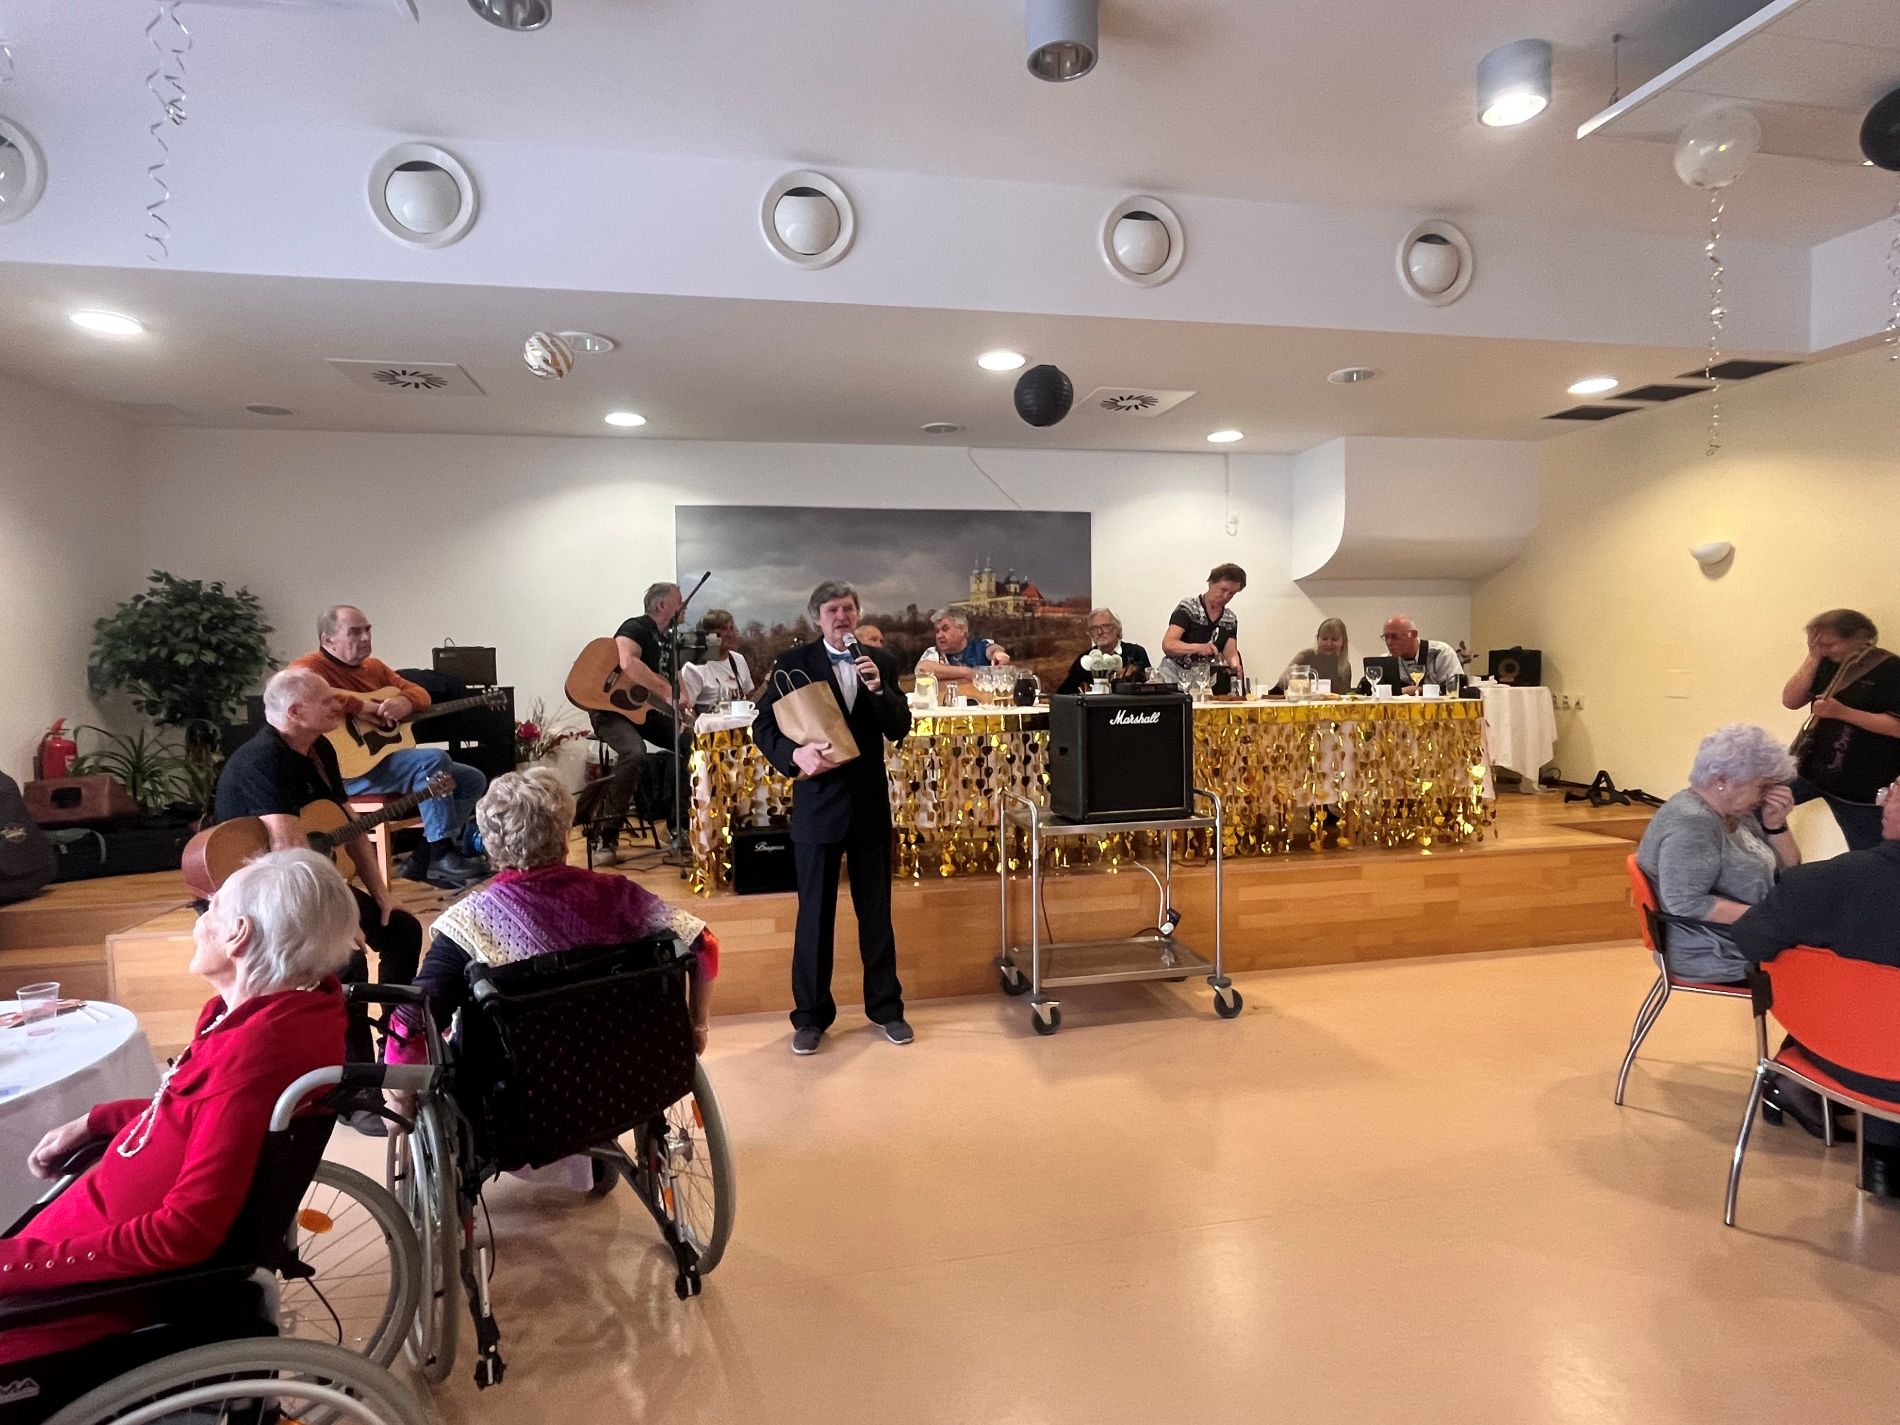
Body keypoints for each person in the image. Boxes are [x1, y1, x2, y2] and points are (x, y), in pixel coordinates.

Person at [0, 850, 353, 1365]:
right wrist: (96, 1120)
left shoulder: (256, 1050)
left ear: (238, 935)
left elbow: (185, 1233)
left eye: (210, 909)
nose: (199, 922)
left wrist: (15, 1263)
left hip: (95, 1299)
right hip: (81, 1243)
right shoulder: (266, 1017)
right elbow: (194, 1115)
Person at [385, 770, 719, 1187]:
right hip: (624, 1074)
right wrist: (697, 1025)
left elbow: (413, 1019)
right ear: (564, 834)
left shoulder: (468, 923)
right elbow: (704, 945)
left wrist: (398, 1092)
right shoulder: (620, 896)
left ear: (490, 844)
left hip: (519, 1101)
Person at [215, 667, 422, 1098]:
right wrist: (342, 922)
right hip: (262, 897)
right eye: (326, 700)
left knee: (401, 928)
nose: (339, 704)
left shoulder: (318, 748)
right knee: (346, 957)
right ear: (294, 713)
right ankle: (354, 1088)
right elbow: (290, 853)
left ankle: (393, 1046)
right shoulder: (265, 760)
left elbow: (349, 824)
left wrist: (382, 895)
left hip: (304, 882)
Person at [752, 580, 913, 1055]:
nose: (841, 617)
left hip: (868, 806)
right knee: (815, 917)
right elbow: (763, 725)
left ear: (857, 614)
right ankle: (810, 1017)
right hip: (818, 806)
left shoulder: (880, 662)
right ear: (817, 618)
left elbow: (899, 726)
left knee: (876, 915)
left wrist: (879, 690)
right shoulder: (793, 663)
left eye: (848, 608)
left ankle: (887, 1009)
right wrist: (794, 755)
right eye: (831, 610)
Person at [1736, 773, 1900, 1197]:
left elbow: (1751, 941)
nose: (1882, 800)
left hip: (1841, 1060)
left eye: (1892, 792)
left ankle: (1882, 1158)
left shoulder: (1822, 882)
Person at [291, 605, 487, 889]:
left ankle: (423, 858)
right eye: (354, 632)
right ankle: (441, 853)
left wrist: (406, 702)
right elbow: (291, 688)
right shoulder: (310, 667)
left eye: (367, 630)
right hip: (347, 772)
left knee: (471, 780)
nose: (365, 638)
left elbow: (420, 692)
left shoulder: (375, 668)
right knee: (433, 760)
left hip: (383, 763)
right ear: (328, 640)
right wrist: (361, 706)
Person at [1633, 724, 1800, 983]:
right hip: (1713, 952)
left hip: (1745, 937)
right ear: (1721, 781)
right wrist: (1772, 920)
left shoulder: (1735, 812)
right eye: (1763, 786)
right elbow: (1686, 903)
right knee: (1829, 968)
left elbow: (1791, 870)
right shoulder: (1692, 823)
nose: (1768, 795)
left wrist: (1775, 824)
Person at [1780, 608, 1900, 852]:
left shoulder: (1891, 669)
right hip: (1811, 771)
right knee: (1757, 805)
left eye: (1829, 644)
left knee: (1869, 855)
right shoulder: (1825, 663)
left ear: (1860, 638)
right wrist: (1813, 657)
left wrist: (1842, 713)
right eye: (1817, 644)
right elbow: (1790, 700)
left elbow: (1896, 727)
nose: (1824, 650)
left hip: (1861, 785)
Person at [589, 581, 687, 854]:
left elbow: (676, 681)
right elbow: (627, 661)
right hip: (610, 709)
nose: (684, 607)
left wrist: (682, 702)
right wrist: (666, 691)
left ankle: (679, 826)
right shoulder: (636, 627)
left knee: (693, 743)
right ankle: (607, 833)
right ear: (662, 605)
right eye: (680, 601)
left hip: (643, 710)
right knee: (634, 752)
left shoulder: (670, 642)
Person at [1159, 563, 1246, 683]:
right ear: (1210, 583)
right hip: (1175, 675)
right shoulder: (1188, 608)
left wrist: (1235, 666)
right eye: (1223, 590)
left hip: (1205, 679)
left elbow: (1230, 651)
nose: (1226, 596)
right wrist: (1198, 648)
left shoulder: (1229, 618)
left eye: (1232, 593)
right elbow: (1168, 644)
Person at [1055, 608, 1151, 695]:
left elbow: (1149, 687)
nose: (1099, 632)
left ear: (1117, 629)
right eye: (1094, 628)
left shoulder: (1135, 653)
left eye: (1105, 626)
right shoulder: (1085, 659)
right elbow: (1064, 693)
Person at [679, 608, 755, 713]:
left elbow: (749, 695)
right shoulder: (694, 667)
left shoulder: (739, 660)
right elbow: (685, 710)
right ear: (707, 635)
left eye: (732, 628)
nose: (730, 634)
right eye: (723, 629)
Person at [1367, 615, 1462, 694]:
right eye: (1386, 637)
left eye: (1395, 637)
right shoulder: (1386, 660)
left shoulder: (1441, 653)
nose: (1389, 642)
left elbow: (1456, 690)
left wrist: (1420, 691)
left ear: (1413, 634)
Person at [914, 611, 1009, 688]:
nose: (939, 635)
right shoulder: (934, 652)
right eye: (937, 631)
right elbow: (922, 669)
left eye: (945, 629)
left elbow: (993, 649)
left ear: (962, 630)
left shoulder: (979, 645)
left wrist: (998, 653)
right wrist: (966, 673)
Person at [1275, 617, 1353, 694]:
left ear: (1343, 641)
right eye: (1324, 639)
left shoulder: (1345, 668)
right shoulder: (1305, 657)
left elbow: (1343, 696)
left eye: (1334, 639)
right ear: (1317, 639)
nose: (1329, 643)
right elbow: (1283, 683)